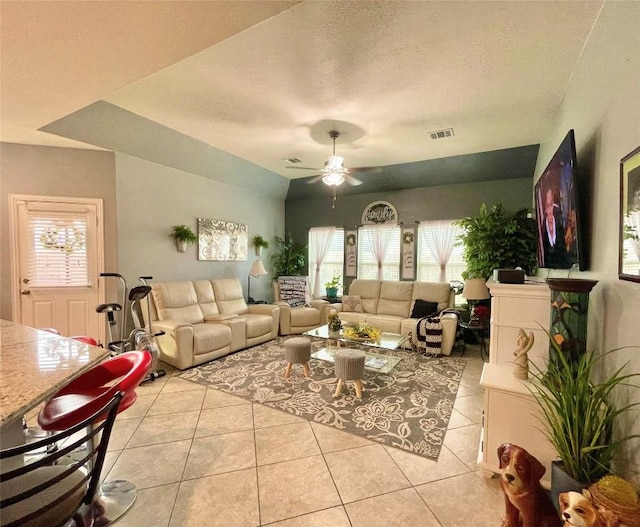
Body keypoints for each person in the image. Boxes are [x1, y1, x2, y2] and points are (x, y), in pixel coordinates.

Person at [541, 188, 568, 268]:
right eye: (547, 205)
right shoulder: (542, 229)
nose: (549, 210)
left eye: (551, 205)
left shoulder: (560, 224)